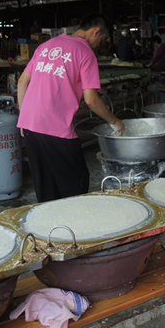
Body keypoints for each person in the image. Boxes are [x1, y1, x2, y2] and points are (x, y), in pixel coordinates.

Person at [17, 13, 125, 203]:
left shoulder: (45, 46)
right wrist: (114, 121)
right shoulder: (85, 53)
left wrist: (23, 117)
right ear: (96, 31)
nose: (100, 43)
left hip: (30, 126)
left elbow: (22, 82)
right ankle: (73, 229)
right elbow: (91, 99)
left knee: (46, 188)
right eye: (102, 38)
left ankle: (49, 229)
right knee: (75, 186)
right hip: (56, 129)